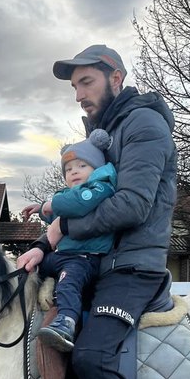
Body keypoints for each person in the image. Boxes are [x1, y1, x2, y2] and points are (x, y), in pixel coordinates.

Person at [17, 44, 177, 379]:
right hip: (97, 264)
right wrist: (45, 246)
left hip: (132, 267)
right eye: (74, 88)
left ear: (116, 77)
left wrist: (61, 221)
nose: (80, 96)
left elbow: (130, 205)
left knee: (90, 357)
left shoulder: (144, 125)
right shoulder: (105, 138)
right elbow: (85, 207)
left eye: (87, 83)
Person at [33, 129, 117, 352]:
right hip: (64, 255)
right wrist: (40, 209)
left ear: (96, 167)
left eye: (81, 166)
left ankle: (66, 322)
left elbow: (78, 203)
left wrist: (50, 204)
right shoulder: (68, 195)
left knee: (68, 283)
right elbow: (56, 212)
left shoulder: (100, 187)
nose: (74, 172)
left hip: (85, 258)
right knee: (33, 269)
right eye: (68, 169)